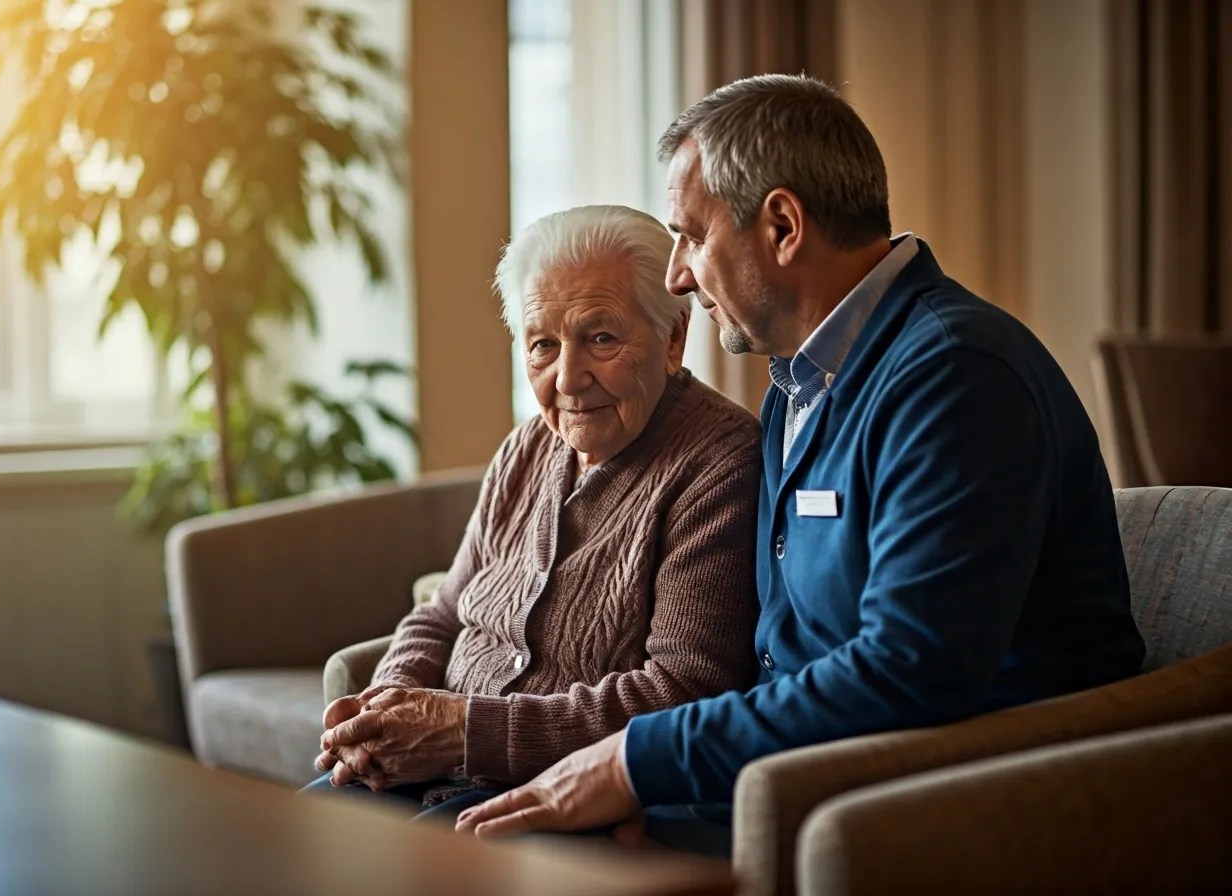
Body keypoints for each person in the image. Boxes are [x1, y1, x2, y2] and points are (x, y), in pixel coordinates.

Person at [455, 74, 1146, 855]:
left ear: (783, 225)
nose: (679, 272)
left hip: (944, 802)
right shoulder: (799, 385)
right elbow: (781, 654)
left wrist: (637, 762)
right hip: (785, 787)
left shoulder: (956, 377)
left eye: (692, 234)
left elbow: (906, 674)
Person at [303, 204, 762, 823]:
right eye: (543, 345)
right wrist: (387, 707)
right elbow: (444, 612)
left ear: (673, 336)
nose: (568, 379)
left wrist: (468, 733)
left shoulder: (720, 462)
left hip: (562, 796)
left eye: (601, 338)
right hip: (435, 769)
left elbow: (679, 694)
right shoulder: (526, 449)